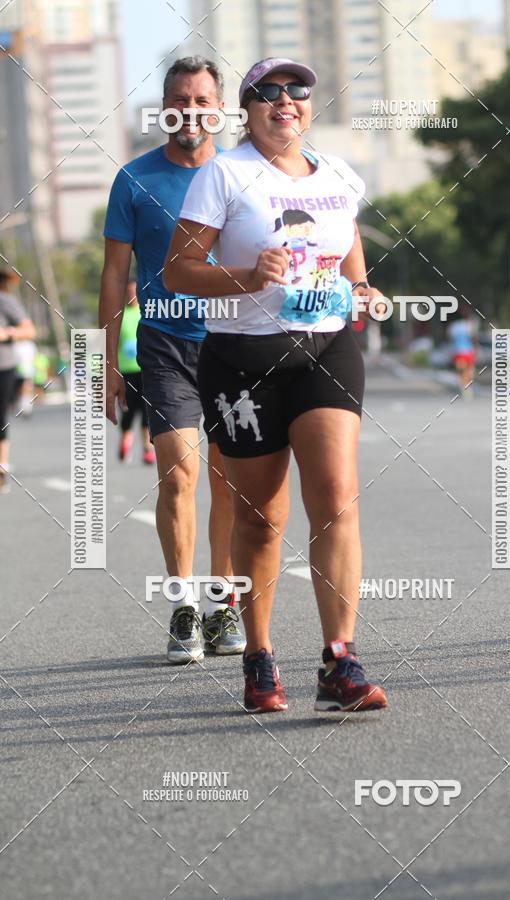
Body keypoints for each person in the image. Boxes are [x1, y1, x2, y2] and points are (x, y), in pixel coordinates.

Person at [164, 56, 389, 714]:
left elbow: (352, 266)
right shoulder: (223, 175)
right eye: (268, 93)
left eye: (297, 91)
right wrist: (246, 276)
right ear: (248, 108)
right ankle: (259, 655)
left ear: (310, 104)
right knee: (262, 522)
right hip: (240, 361)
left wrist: (364, 292)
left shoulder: (340, 177)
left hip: (325, 351)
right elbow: (178, 272)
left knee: (338, 500)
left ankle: (338, 660)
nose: (284, 101)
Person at [99, 56, 245, 660]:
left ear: (220, 109)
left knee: (229, 479)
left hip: (234, 342)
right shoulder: (134, 179)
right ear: (163, 109)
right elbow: (114, 275)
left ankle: (222, 606)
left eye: (203, 101)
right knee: (179, 475)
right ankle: (183, 606)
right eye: (179, 101)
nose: (191, 112)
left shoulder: (244, 175)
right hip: (162, 343)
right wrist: (108, 360)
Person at [0, 266, 36, 493]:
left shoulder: (5, 301)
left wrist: (7, 333)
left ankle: (1, 470)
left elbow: (29, 330)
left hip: (3, 367)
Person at [117, 280, 155, 465]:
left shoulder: (146, 313)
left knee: (147, 411)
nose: (131, 294)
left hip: (145, 369)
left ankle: (147, 449)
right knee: (128, 410)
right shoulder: (119, 315)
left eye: (134, 291)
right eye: (128, 291)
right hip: (126, 371)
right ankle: (125, 441)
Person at [447, 306, 476, 398]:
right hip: (464, 351)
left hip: (460, 351)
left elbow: (450, 340)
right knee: (466, 371)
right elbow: (473, 338)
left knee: (464, 371)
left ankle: (465, 387)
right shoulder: (469, 325)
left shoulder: (452, 327)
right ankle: (465, 388)